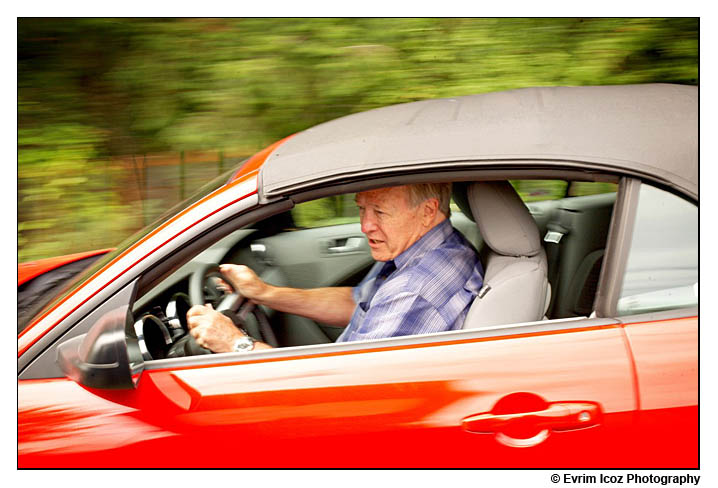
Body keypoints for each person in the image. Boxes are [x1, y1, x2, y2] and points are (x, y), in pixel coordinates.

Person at [186, 183, 484, 353]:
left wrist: (235, 343)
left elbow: (336, 386)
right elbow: (356, 302)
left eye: (380, 212)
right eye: (361, 209)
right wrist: (265, 293)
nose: (365, 225)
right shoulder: (433, 248)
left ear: (428, 211)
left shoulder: (416, 289)